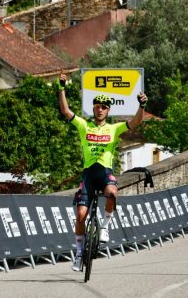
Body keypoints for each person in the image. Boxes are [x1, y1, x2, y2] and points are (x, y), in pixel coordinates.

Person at [57, 70, 147, 272]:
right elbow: (65, 111)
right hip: (89, 175)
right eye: (97, 107)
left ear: (108, 111)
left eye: (104, 107)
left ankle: (105, 226)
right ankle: (79, 254)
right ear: (94, 108)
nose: (100, 110)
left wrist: (142, 106)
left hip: (105, 173)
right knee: (80, 215)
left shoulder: (113, 129)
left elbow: (135, 123)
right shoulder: (84, 125)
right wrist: (61, 87)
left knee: (112, 193)